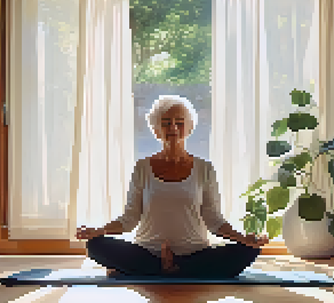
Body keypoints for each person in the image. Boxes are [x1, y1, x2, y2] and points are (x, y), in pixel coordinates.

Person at [76, 95, 269, 279]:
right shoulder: (142, 167)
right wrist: (98, 231)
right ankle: (172, 268)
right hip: (148, 251)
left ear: (189, 127)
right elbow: (130, 218)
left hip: (195, 253)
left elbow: (213, 219)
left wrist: (243, 238)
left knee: (248, 250)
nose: (173, 128)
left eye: (179, 122)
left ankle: (163, 268)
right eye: (166, 122)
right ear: (156, 130)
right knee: (95, 246)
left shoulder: (204, 168)